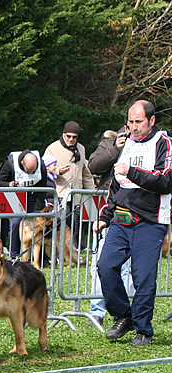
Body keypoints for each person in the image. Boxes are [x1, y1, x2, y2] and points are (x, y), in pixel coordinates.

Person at [94, 100, 172, 346]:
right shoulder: (125, 142)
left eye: (139, 122)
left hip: (150, 221)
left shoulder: (164, 143)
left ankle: (143, 330)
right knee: (105, 267)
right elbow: (115, 185)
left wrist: (132, 171)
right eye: (130, 122)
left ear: (151, 120)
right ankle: (123, 316)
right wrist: (105, 216)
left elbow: (166, 180)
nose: (133, 127)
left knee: (143, 277)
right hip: (121, 220)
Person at [86, 124, 133, 327]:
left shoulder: (152, 144)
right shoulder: (109, 142)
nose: (134, 128)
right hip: (112, 208)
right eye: (131, 123)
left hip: (139, 211)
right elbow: (94, 166)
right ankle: (98, 311)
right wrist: (116, 148)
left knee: (128, 269)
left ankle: (125, 314)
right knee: (102, 263)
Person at [44, 121, 95, 249]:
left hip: (77, 193)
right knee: (61, 223)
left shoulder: (81, 149)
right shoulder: (52, 148)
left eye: (74, 137)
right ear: (63, 134)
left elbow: (86, 173)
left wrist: (92, 192)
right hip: (60, 193)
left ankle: (75, 249)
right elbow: (42, 168)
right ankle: (58, 250)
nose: (71, 139)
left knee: (76, 223)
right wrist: (57, 171)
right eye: (68, 136)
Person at [0, 149, 49, 259]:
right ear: (22, 164)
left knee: (37, 225)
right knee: (16, 224)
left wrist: (37, 212)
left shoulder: (41, 166)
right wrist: (9, 184)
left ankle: (39, 258)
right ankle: (15, 256)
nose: (30, 174)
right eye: (28, 171)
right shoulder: (10, 163)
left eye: (33, 171)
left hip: (33, 197)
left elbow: (42, 190)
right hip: (15, 198)